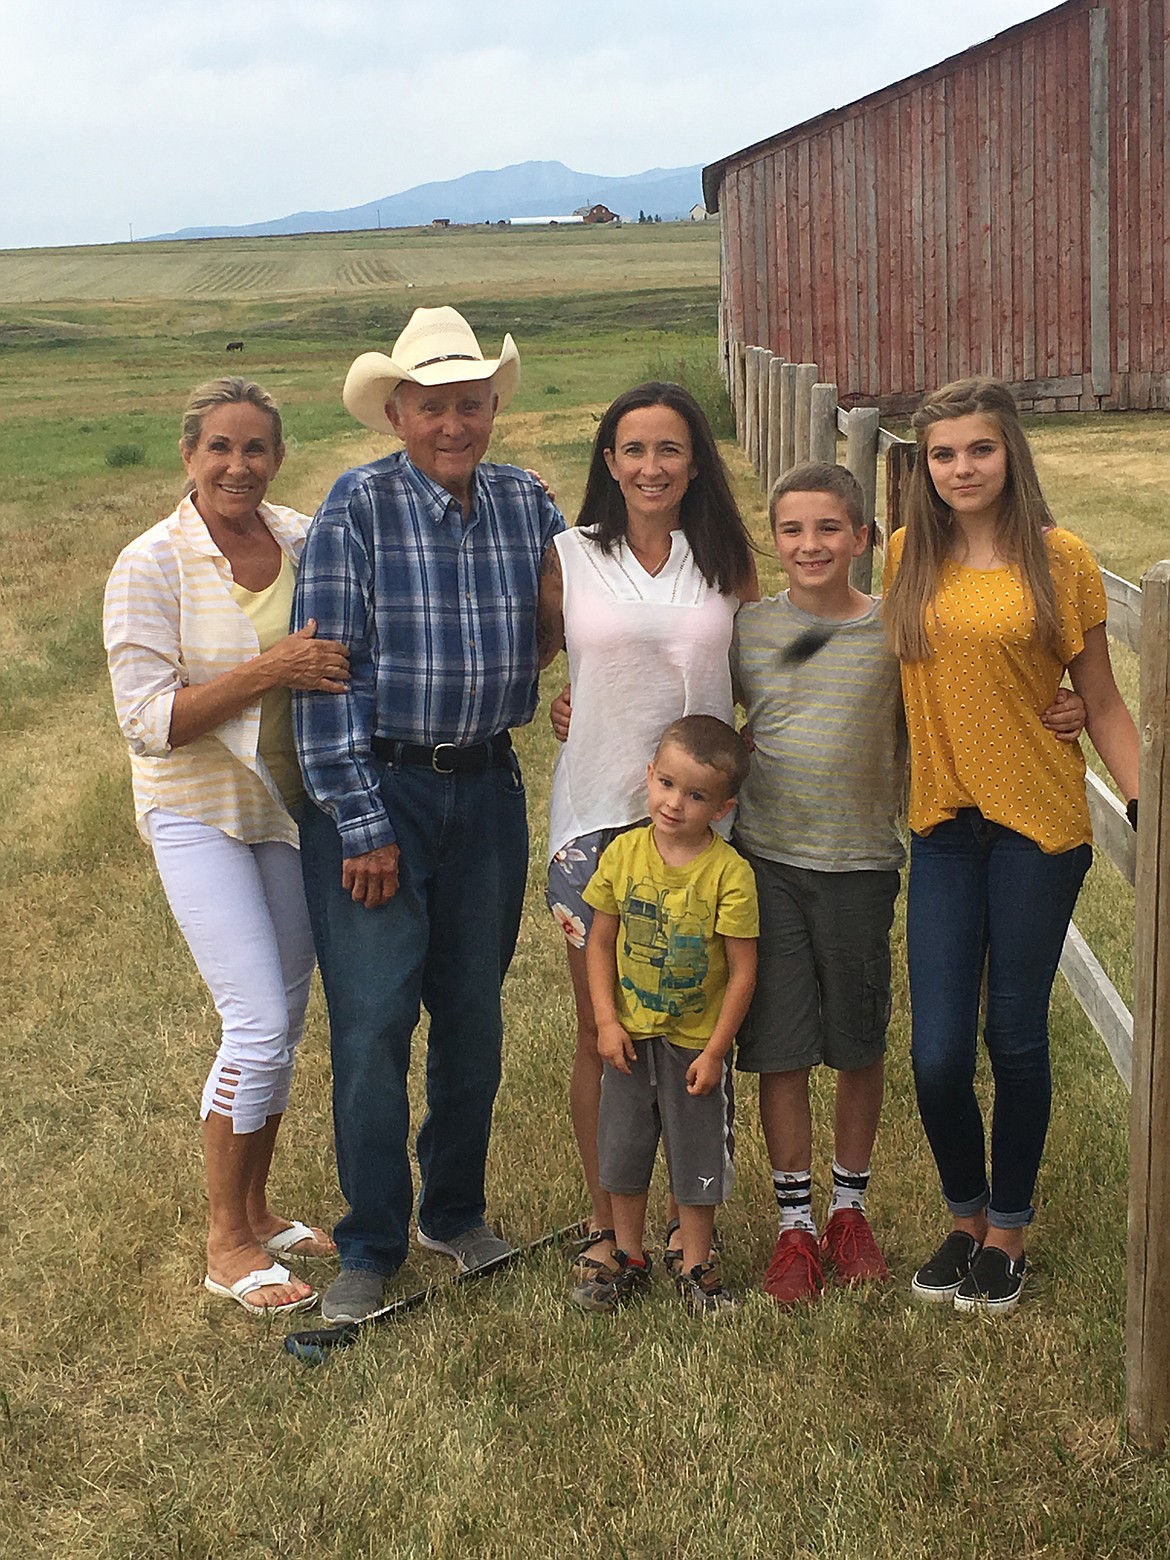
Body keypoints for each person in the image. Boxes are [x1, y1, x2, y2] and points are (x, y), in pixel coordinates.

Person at [293, 306, 565, 1325]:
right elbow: (323, 679)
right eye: (433, 406)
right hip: (382, 792)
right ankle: (368, 1242)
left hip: (485, 786)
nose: (455, 423)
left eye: (472, 404)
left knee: (475, 1015)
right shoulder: (354, 507)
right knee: (371, 1027)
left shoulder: (528, 501)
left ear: (494, 406)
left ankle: (454, 1212)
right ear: (398, 412)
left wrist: (539, 688)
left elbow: (556, 618)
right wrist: (360, 825)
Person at [883, 376, 1139, 1315]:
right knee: (939, 1052)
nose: (961, 469)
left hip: (1039, 827)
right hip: (945, 826)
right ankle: (963, 1214)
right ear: (925, 465)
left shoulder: (1059, 559)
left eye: (978, 450)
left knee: (1014, 1033)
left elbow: (1100, 699)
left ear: (1011, 452)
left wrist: (1146, 801)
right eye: (943, 454)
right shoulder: (908, 555)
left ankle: (1011, 1229)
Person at [103, 377, 349, 1316]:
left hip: (279, 808)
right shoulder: (151, 564)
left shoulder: (296, 536)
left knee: (285, 1019)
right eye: (220, 449)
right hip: (194, 810)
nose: (238, 466)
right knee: (252, 1019)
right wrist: (270, 669)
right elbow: (146, 721)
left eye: (255, 449)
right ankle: (226, 1242)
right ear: (189, 456)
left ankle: (259, 1206)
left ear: (277, 456)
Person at [537, 381, 757, 1291]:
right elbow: (538, 656)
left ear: (695, 461)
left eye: (670, 449)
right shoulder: (570, 556)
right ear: (608, 461)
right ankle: (606, 1224)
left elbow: (763, 671)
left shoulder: (728, 563)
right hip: (594, 819)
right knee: (608, 1030)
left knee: (698, 1020)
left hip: (704, 827)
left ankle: (687, 1228)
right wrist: (565, 706)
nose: (651, 466)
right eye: (633, 449)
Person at [731, 463, 906, 1306]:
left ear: (862, 538)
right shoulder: (749, 631)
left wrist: (1058, 704)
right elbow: (697, 710)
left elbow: (966, 696)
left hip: (863, 863)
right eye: (793, 530)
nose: (810, 545)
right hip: (768, 862)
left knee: (858, 1038)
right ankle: (793, 1223)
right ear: (775, 539)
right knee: (783, 1044)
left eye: (829, 529)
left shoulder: (896, 632)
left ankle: (849, 1208)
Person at [574, 715, 758, 1316]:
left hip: (693, 1047)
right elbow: (599, 943)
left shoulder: (729, 873)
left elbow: (742, 971)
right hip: (629, 1038)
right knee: (622, 1151)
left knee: (696, 1154)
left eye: (697, 794)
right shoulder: (624, 854)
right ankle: (627, 1256)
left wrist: (716, 1050)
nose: (676, 804)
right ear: (649, 777)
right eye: (669, 784)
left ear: (723, 807)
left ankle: (697, 1262)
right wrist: (605, 1021)